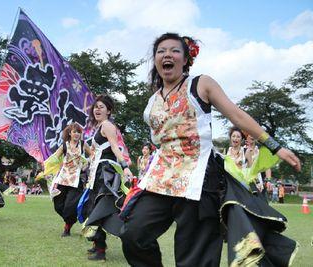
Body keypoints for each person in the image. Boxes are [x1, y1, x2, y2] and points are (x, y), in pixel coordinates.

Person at [119, 33, 300, 267]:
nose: (167, 55)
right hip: (160, 180)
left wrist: (274, 146)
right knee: (134, 234)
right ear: (155, 60)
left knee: (195, 255)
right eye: (161, 51)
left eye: (175, 50)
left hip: (200, 179)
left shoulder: (200, 84)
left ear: (185, 59)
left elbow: (236, 115)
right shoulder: (152, 102)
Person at [81, 95, 132, 262]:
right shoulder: (99, 127)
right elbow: (96, 153)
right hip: (97, 172)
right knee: (92, 208)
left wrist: (124, 167)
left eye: (102, 107)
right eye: (96, 107)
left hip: (106, 173)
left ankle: (103, 248)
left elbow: (115, 148)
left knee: (101, 208)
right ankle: (98, 245)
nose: (97, 109)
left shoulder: (108, 125)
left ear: (109, 111)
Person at [43, 123, 92, 237]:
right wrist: (46, 168)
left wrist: (87, 164)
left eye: (79, 132)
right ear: (70, 133)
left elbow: (93, 156)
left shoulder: (83, 145)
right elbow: (54, 158)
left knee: (70, 206)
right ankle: (70, 219)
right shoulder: (64, 145)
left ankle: (67, 227)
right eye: (74, 132)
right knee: (58, 206)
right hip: (62, 179)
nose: (77, 134)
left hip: (76, 180)